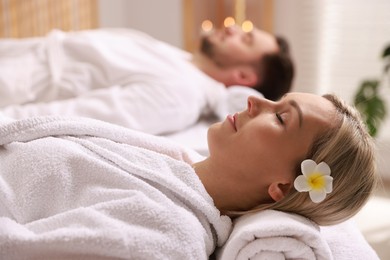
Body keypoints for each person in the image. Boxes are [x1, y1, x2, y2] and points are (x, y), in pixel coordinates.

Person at [0, 92, 377, 258]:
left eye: (280, 117)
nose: (254, 101)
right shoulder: (169, 162)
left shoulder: (166, 235)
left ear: (281, 186)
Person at [0, 26, 294, 135]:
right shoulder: (184, 64)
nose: (232, 30)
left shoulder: (179, 95)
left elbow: (68, 118)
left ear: (243, 76)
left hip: (16, 88)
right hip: (18, 59)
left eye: (245, 39)